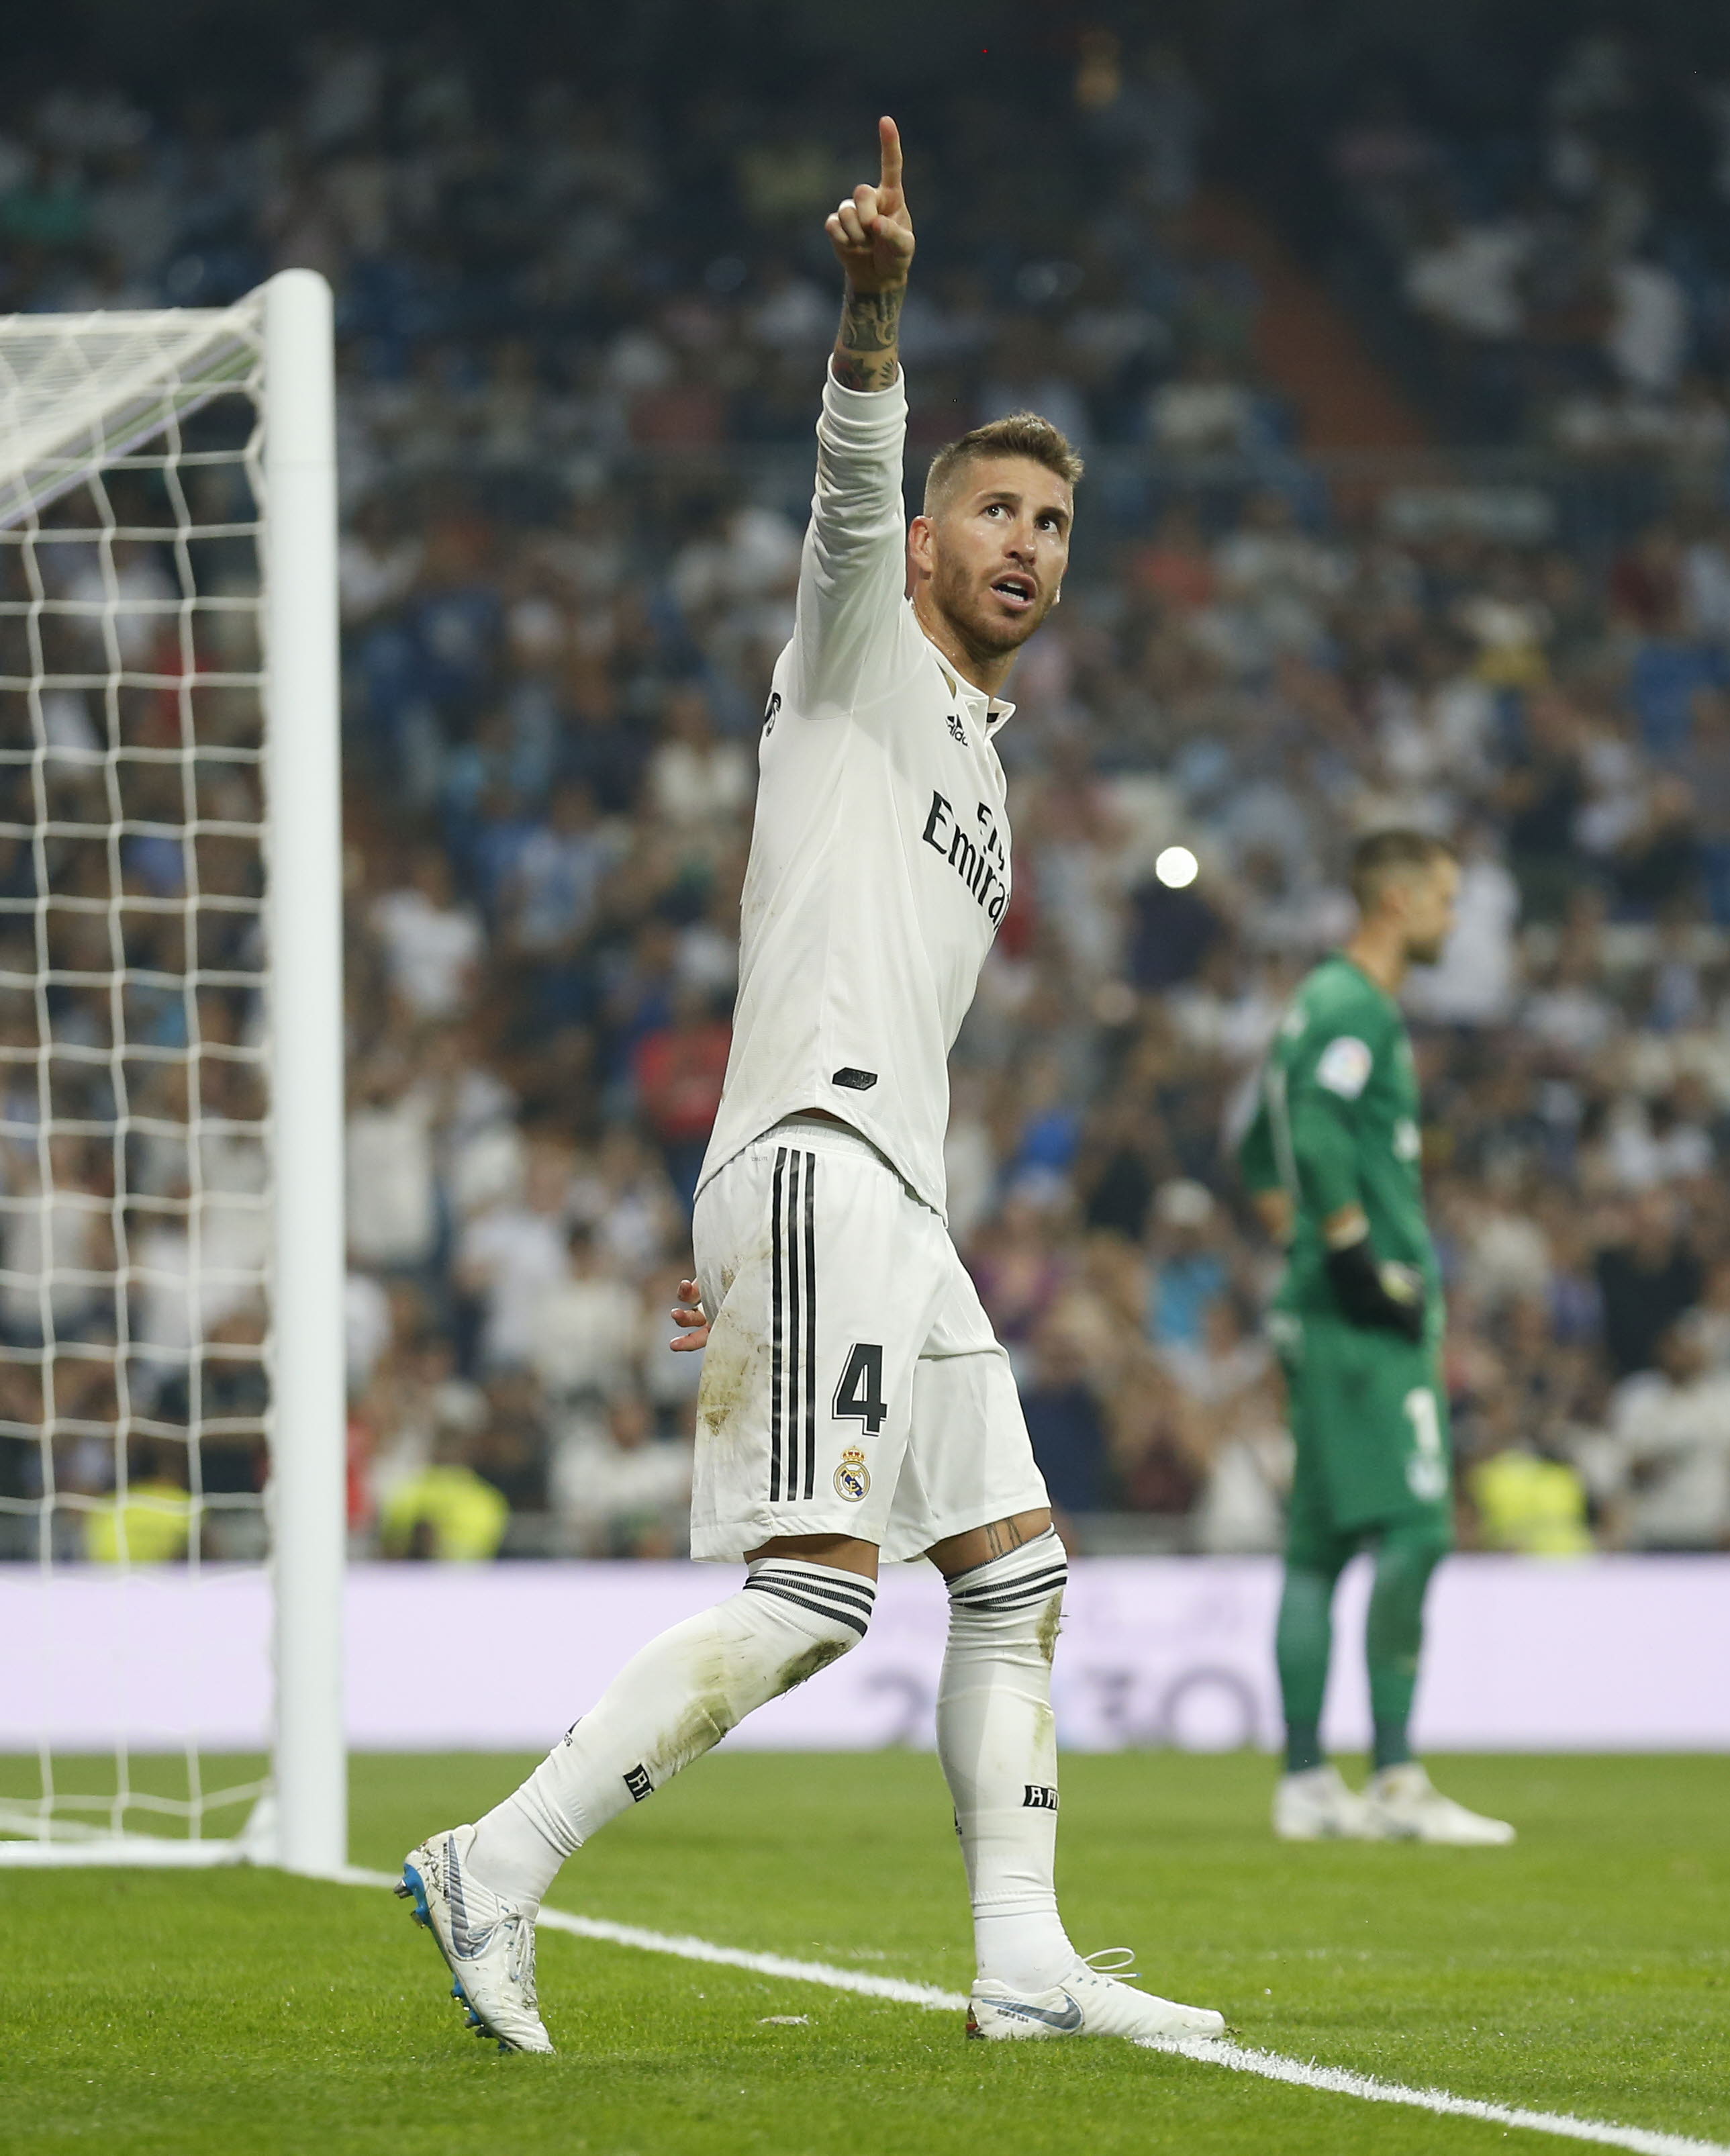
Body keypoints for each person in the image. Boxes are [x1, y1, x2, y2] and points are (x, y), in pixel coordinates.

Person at [398, 117, 1224, 2054]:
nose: (1027, 545)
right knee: (819, 1596)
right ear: (933, 539)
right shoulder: (857, 642)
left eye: (1055, 525)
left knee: (1016, 1577)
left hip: (902, 1205)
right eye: (999, 513)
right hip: (812, 1161)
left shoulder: (985, 766)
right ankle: (494, 1861)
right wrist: (875, 316)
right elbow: (855, 482)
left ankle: (1022, 1958)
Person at [1239, 830, 1515, 1846]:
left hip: (1317, 1310)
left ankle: (1307, 1781)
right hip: (1365, 1315)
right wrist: (1353, 1256)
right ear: (1396, 901)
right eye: (1443, 899)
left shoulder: (1313, 1004)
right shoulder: (1354, 1005)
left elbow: (1252, 1146)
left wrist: (1301, 1247)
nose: (1451, 919)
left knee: (1315, 1548)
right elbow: (1309, 1130)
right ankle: (1394, 1777)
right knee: (1416, 1530)